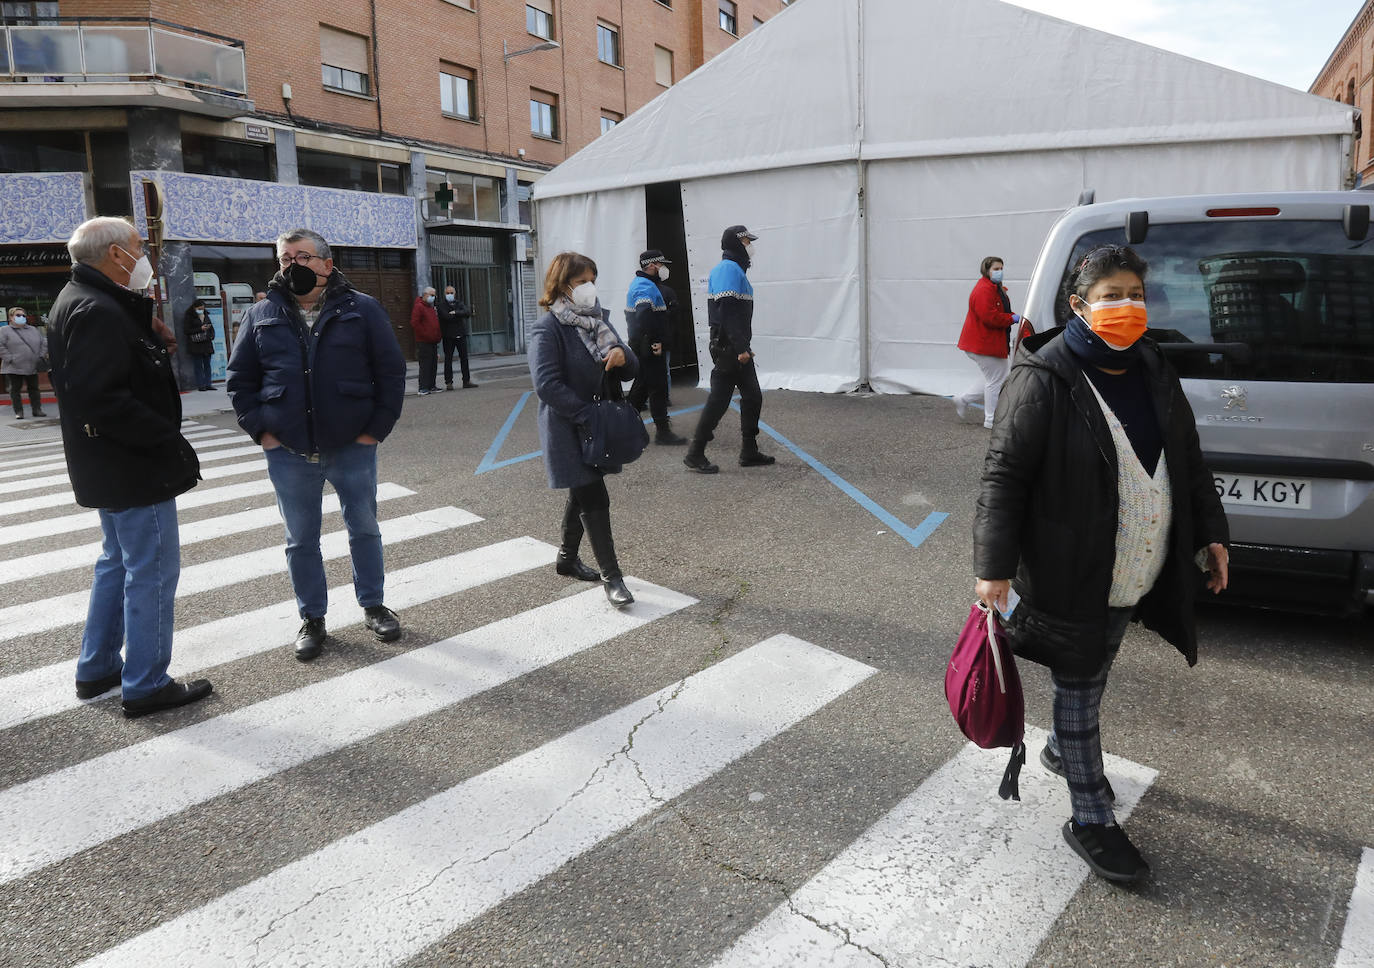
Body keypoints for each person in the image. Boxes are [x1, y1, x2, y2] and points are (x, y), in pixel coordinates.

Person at [972, 244, 1229, 885]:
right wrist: (993, 566)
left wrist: (1213, 534)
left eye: (1136, 294)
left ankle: (1064, 748)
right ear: (1078, 305)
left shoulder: (1151, 365)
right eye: (1112, 296)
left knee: (1098, 659)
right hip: (1071, 569)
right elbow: (1004, 476)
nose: (1128, 307)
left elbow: (1189, 460)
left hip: (1136, 568)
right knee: (1081, 679)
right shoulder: (1043, 377)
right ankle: (1089, 817)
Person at [47, 216, 212, 717]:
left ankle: (97, 667)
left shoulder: (83, 298)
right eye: (139, 248)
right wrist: (168, 441)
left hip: (108, 465)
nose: (145, 257)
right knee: (152, 571)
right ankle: (145, 682)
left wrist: (143, 320)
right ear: (115, 255)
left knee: (117, 564)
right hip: (133, 466)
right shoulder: (96, 309)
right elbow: (104, 397)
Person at [227, 227, 407, 661]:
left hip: (352, 446)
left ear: (327, 265)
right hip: (289, 451)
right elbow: (240, 380)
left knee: (363, 528)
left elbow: (391, 374)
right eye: (286, 258)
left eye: (304, 257)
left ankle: (373, 605)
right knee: (300, 540)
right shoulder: (262, 313)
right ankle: (312, 618)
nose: (294, 265)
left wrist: (373, 432)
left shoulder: (362, 310)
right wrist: (263, 433)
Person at [528, 251, 639, 608]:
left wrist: (623, 354)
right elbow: (546, 385)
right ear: (562, 286)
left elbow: (629, 365)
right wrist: (586, 414)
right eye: (581, 282)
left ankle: (566, 558)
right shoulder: (547, 328)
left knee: (582, 490)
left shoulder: (600, 320)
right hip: (568, 427)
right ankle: (613, 578)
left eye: (593, 280)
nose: (589, 288)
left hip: (595, 426)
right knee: (593, 494)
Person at [684, 225, 774, 473]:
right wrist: (741, 348)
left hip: (735, 346)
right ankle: (695, 452)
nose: (750, 245)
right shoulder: (727, 269)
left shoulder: (736, 269)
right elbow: (727, 312)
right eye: (746, 241)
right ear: (736, 243)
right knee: (719, 401)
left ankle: (749, 450)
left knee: (752, 397)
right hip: (729, 348)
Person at [954, 256, 1024, 429]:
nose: (1000, 271)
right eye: (996, 268)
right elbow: (990, 317)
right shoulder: (984, 290)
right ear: (986, 270)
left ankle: (963, 399)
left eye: (1001, 268)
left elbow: (999, 310)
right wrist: (1012, 318)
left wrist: (1013, 316)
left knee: (995, 377)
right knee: (996, 379)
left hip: (985, 342)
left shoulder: (993, 288)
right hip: (982, 343)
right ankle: (990, 419)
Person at [626, 250, 686, 446]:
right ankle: (663, 432)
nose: (663, 269)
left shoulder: (645, 284)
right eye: (661, 265)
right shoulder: (644, 286)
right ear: (652, 266)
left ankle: (624, 427)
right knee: (657, 387)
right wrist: (654, 342)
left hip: (643, 346)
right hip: (648, 347)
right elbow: (644, 315)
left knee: (642, 387)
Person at [1, 306, 48, 418]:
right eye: (18, 315)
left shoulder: (33, 329)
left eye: (23, 315)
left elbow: (44, 342)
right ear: (11, 317)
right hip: (14, 366)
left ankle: (37, 410)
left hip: (32, 365)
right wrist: (10, 358)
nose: (21, 317)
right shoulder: (4, 330)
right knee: (15, 390)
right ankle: (19, 412)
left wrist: (40, 356)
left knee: (34, 389)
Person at [437, 284, 476, 389]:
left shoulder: (459, 303)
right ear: (444, 294)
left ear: (455, 294)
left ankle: (466, 381)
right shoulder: (441, 305)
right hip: (448, 336)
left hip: (461, 334)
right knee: (448, 359)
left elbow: (467, 312)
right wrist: (459, 315)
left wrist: (456, 312)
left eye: (451, 293)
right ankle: (449, 382)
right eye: (447, 293)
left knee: (464, 358)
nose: (449, 295)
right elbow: (446, 317)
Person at [410, 286, 441, 395]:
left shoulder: (430, 307)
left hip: (433, 341)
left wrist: (437, 336)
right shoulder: (419, 307)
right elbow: (415, 323)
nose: (433, 297)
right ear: (425, 295)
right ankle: (423, 387)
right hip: (424, 341)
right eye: (431, 295)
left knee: (433, 364)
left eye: (434, 295)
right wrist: (425, 334)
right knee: (425, 365)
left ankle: (432, 386)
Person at [182, 298, 216, 391]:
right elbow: (187, 330)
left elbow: (211, 327)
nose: (201, 310)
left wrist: (212, 335)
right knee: (198, 365)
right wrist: (200, 328)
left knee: (207, 364)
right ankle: (201, 385)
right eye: (199, 308)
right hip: (196, 344)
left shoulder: (205, 315)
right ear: (194, 308)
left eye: (203, 308)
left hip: (206, 343)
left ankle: (208, 384)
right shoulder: (189, 316)